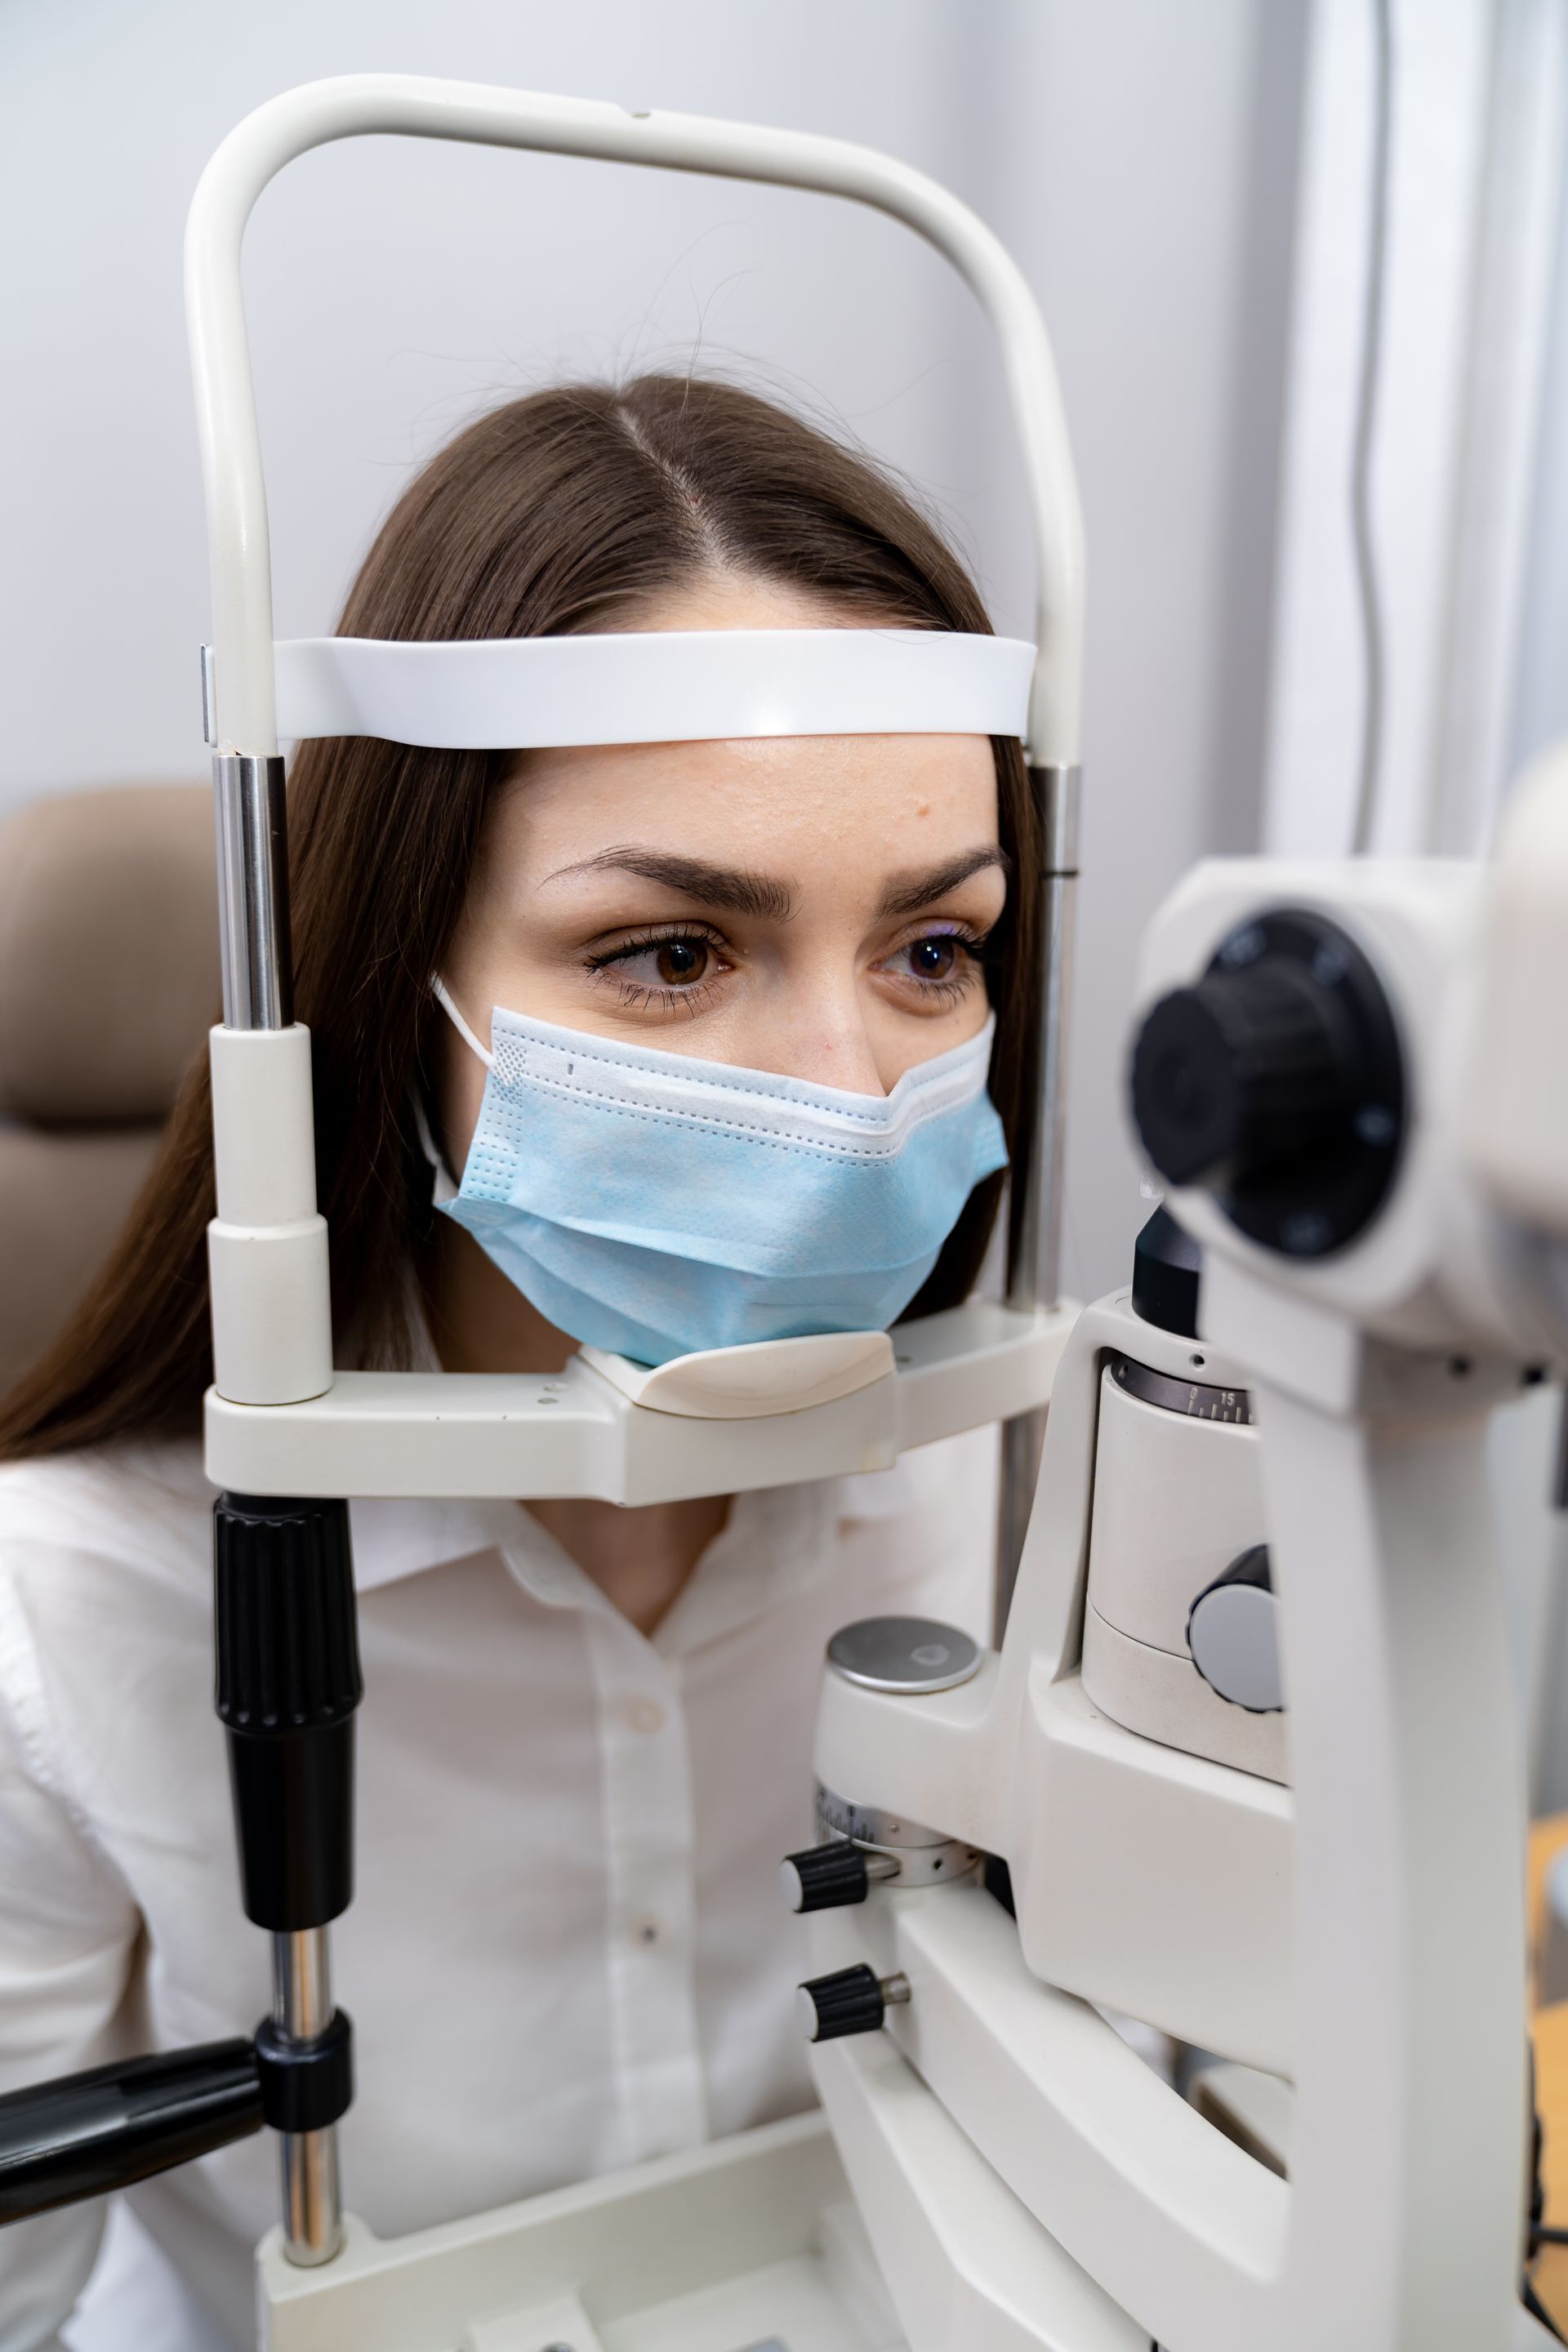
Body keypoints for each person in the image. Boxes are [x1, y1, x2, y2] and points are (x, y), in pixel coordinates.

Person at [0, 374, 1040, 2349]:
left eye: (931, 951)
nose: (849, 1092)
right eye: (671, 951)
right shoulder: (68, 1604)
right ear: (401, 985)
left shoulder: (976, 1459)